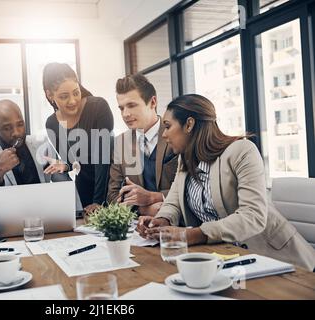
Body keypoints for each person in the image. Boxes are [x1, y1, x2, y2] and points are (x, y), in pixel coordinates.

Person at [137, 94, 315, 270]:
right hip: (227, 257)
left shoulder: (242, 151)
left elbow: (252, 216)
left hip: (277, 259)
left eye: (167, 126)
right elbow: (173, 201)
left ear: (189, 124)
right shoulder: (186, 159)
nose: (164, 135)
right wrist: (162, 220)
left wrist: (192, 235)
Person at [43, 62, 114, 214]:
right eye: (64, 96)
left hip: (111, 187)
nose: (73, 100)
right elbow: (73, 162)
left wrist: (99, 201)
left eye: (76, 92)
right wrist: (66, 166)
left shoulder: (98, 108)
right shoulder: (52, 123)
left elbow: (103, 159)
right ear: (50, 95)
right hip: (84, 190)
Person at [0, 99, 68, 208]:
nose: (16, 133)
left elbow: (63, 185)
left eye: (20, 124)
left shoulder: (41, 145)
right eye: (7, 128)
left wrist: (63, 167)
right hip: (7, 223)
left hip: (45, 217)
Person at [107, 74, 177, 216]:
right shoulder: (120, 143)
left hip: (178, 223)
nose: (125, 114)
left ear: (153, 102)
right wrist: (142, 210)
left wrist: (155, 197)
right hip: (138, 229)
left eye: (132, 105)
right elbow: (112, 196)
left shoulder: (177, 134)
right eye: (121, 108)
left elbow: (193, 187)